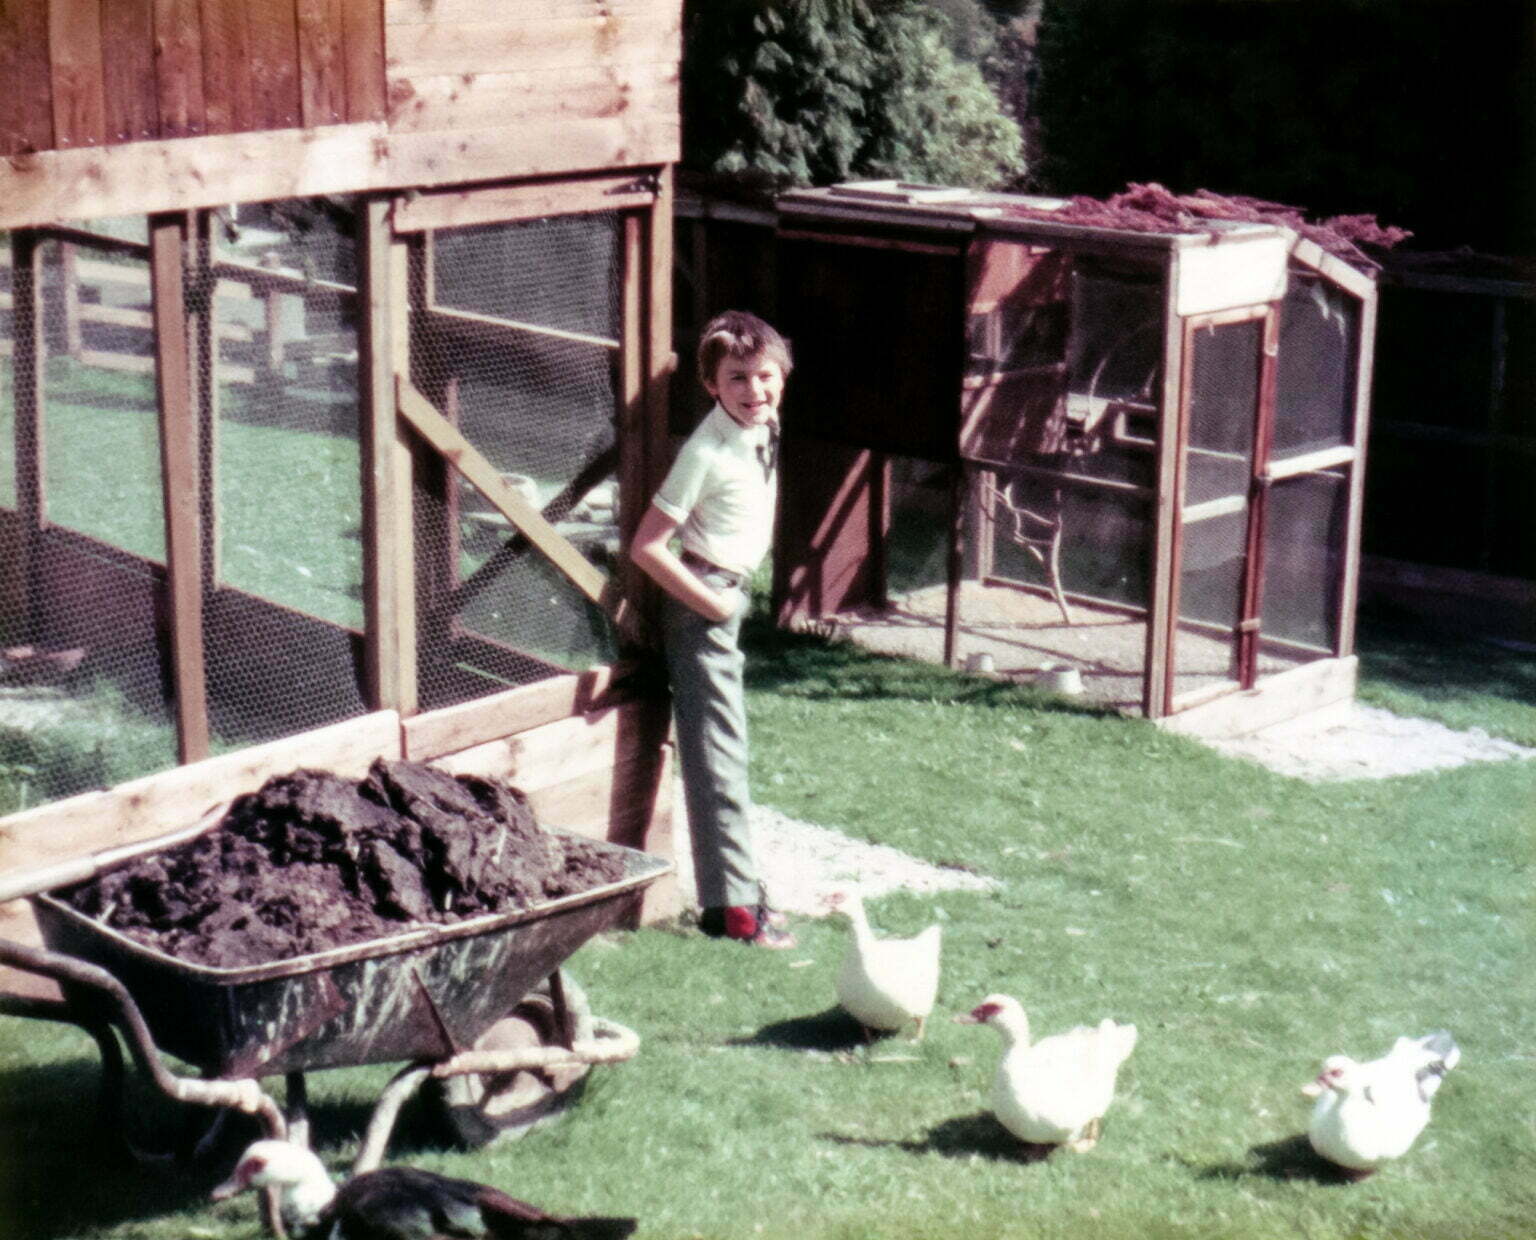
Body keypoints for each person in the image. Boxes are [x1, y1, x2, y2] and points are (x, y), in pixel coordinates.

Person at [629, 310, 795, 949]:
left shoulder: (764, 423)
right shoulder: (705, 450)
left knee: (729, 747)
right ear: (711, 385)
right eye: (737, 380)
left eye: (765, 376)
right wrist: (714, 604)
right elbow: (647, 546)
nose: (755, 391)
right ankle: (733, 911)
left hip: (729, 591)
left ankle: (747, 887)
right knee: (718, 754)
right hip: (703, 601)